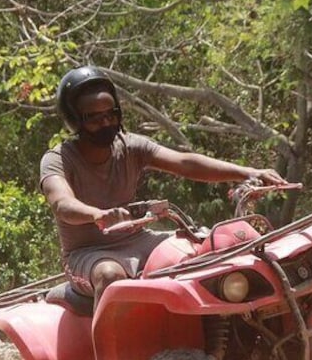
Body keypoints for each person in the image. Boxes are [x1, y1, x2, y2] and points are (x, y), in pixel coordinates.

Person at [39, 65, 287, 306]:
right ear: (75, 121)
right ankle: (116, 349)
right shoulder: (58, 159)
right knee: (110, 275)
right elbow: (62, 203)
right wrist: (97, 215)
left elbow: (185, 162)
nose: (106, 123)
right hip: (88, 254)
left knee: (203, 249)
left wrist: (247, 173)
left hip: (139, 240)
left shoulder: (130, 146)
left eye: (111, 114)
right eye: (94, 118)